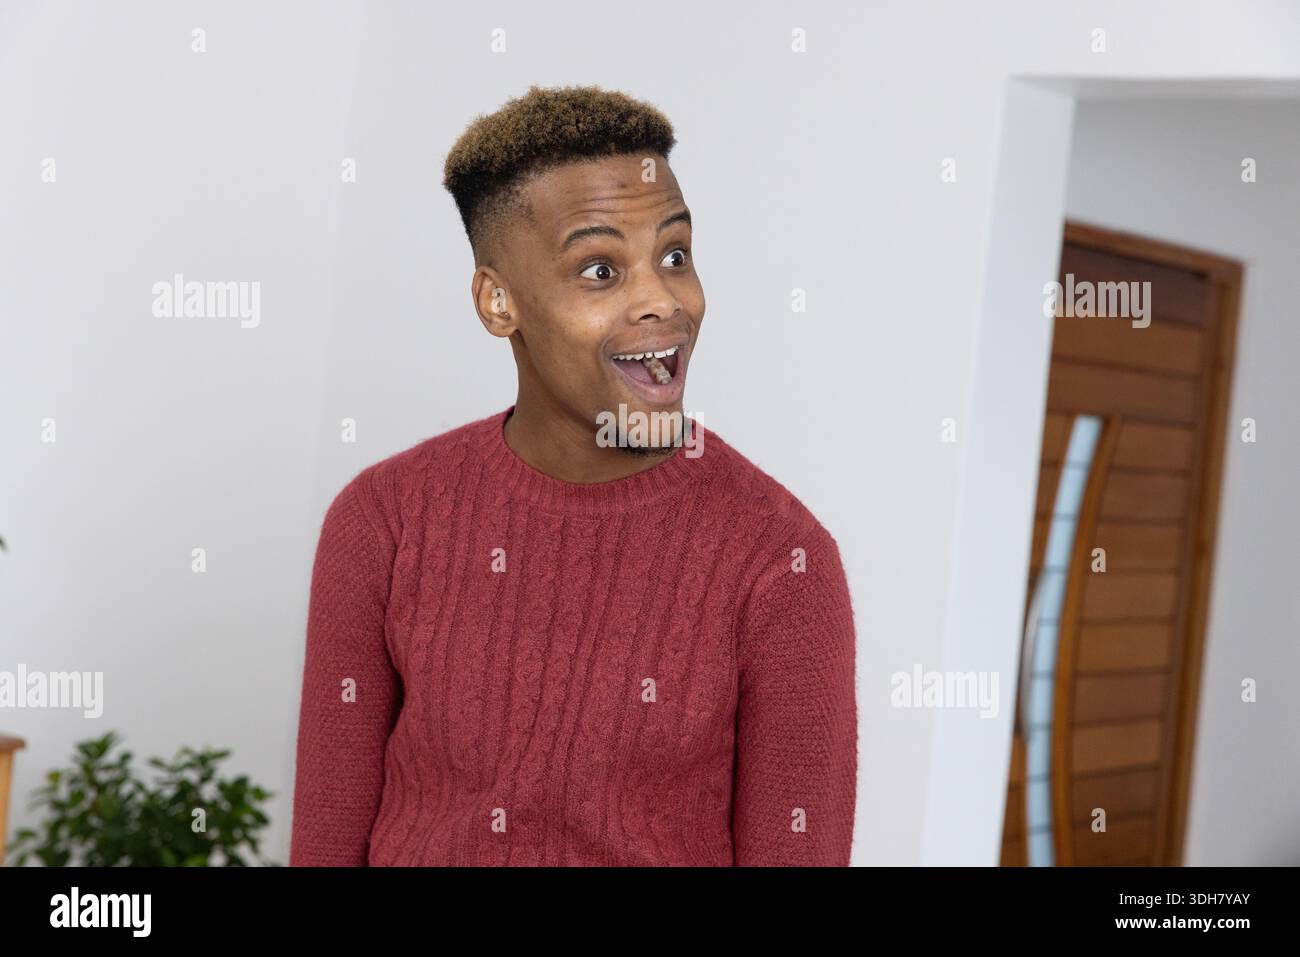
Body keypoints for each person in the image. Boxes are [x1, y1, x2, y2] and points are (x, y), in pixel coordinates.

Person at [289, 84, 857, 866]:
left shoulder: (783, 561)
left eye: (675, 255)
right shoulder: (382, 521)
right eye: (599, 269)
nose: (663, 300)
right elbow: (326, 839)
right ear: (498, 301)